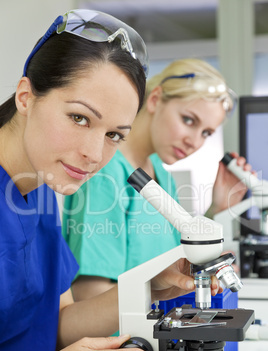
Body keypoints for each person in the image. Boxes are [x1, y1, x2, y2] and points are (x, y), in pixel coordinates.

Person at [0, 9, 224, 351]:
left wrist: (149, 287)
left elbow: (59, 323)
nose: (92, 154)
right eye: (79, 118)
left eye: (115, 135)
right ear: (26, 96)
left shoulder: (42, 188)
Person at [62, 58, 251, 301]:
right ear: (154, 99)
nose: (194, 141)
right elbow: (89, 294)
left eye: (206, 133)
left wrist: (217, 208)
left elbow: (173, 266)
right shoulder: (105, 173)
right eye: (188, 120)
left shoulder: (161, 176)